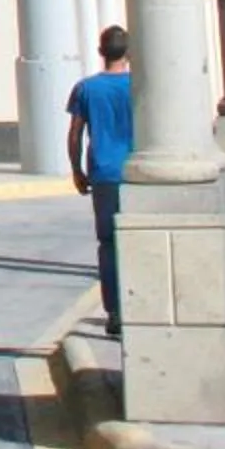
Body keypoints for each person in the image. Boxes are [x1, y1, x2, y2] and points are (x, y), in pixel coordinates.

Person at [65, 26, 135, 338]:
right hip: (136, 173)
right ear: (128, 53)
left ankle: (115, 312)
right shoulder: (138, 85)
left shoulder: (85, 89)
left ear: (100, 52)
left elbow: (75, 133)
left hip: (104, 173)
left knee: (108, 244)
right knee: (136, 240)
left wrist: (76, 170)